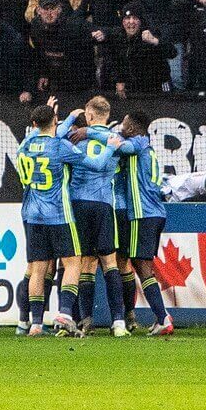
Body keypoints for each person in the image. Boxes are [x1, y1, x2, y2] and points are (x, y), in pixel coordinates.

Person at [15, 101, 120, 337]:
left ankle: (35, 324)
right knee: (73, 261)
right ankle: (64, 312)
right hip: (58, 214)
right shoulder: (60, 147)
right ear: (54, 121)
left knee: (38, 269)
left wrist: (62, 117)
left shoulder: (23, 146)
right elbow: (97, 164)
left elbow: (43, 134)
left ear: (33, 124)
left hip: (31, 215)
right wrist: (111, 147)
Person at [82, 109, 174, 336]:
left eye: (123, 124)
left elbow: (118, 144)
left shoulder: (138, 144)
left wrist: (88, 131)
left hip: (144, 213)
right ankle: (158, 316)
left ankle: (163, 318)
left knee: (141, 266)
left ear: (131, 129)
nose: (119, 128)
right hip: (155, 212)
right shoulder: (146, 145)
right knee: (136, 263)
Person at [65, 96, 129, 337]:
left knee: (86, 264)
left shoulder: (76, 140)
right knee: (110, 262)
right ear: (108, 116)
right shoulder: (115, 140)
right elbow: (124, 147)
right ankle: (119, 322)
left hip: (79, 204)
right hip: (104, 204)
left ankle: (86, 319)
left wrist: (84, 131)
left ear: (89, 116)